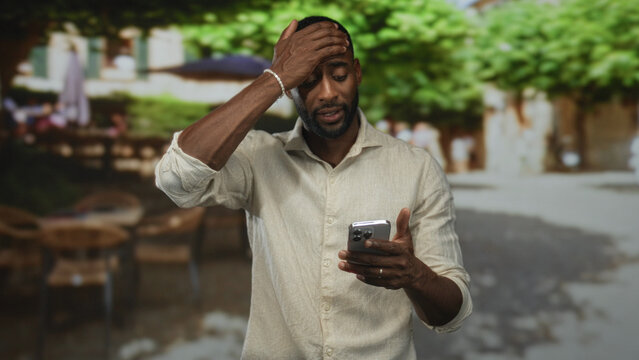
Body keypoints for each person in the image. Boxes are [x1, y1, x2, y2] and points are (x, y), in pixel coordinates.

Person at [155, 16, 472, 359]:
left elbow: (451, 314)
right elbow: (176, 179)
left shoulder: (416, 167)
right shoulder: (259, 157)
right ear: (289, 89)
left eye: (339, 75)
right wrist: (274, 78)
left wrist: (415, 275)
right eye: (306, 81)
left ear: (358, 73)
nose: (328, 93)